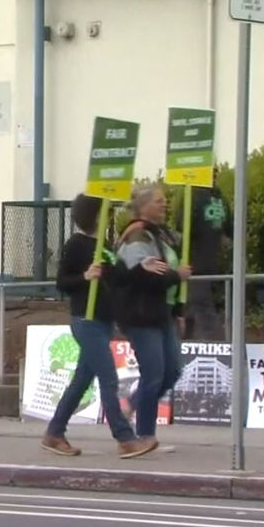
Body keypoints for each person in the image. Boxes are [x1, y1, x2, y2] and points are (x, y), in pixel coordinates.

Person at [41, 193, 158, 459]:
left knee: (82, 379)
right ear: (96, 215)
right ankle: (124, 437)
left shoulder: (103, 244)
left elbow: (118, 276)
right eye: (106, 211)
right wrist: (85, 276)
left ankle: (54, 432)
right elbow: (62, 282)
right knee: (108, 377)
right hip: (86, 318)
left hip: (104, 319)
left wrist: (142, 269)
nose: (111, 216)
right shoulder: (77, 244)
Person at [114, 184, 192, 447]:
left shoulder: (160, 235)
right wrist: (175, 275)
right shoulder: (137, 237)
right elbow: (143, 277)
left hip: (162, 312)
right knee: (154, 373)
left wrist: (179, 310)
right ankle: (146, 433)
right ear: (144, 206)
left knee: (172, 371)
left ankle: (134, 405)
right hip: (140, 314)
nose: (164, 204)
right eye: (159, 201)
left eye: (165, 200)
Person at [183, 174, 232, 341]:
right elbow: (229, 231)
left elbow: (182, 226)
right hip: (212, 259)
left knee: (200, 307)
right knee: (192, 308)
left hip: (193, 261)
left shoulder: (192, 198)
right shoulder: (220, 200)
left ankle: (218, 349)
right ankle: (185, 344)